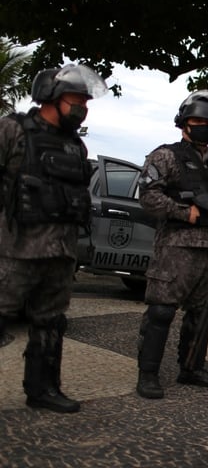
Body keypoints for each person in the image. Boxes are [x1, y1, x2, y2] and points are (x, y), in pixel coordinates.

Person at [0, 64, 107, 412]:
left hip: (60, 253)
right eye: (77, 102)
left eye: (85, 104)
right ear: (52, 98)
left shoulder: (75, 146)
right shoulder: (14, 130)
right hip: (16, 251)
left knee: (51, 323)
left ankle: (43, 389)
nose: (82, 109)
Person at [135, 90, 208, 399]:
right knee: (161, 311)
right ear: (183, 123)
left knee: (202, 312)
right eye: (196, 120)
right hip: (176, 246)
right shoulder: (165, 155)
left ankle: (191, 367)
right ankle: (148, 373)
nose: (202, 126)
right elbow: (148, 195)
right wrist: (183, 212)